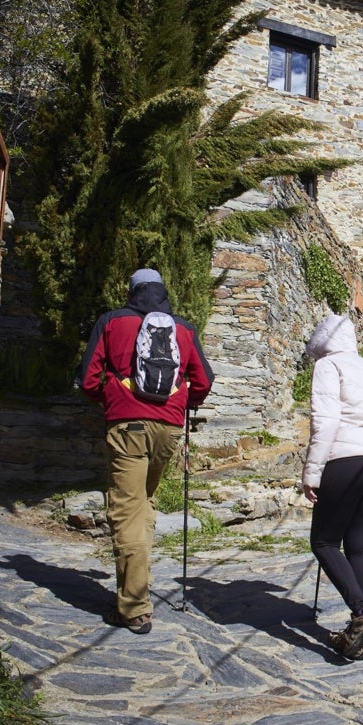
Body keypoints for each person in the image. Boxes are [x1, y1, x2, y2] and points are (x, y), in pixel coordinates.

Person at [77, 268, 214, 634]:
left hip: (127, 426)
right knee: (145, 503)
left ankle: (134, 607)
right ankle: (139, 582)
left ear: (132, 291)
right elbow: (204, 380)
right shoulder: (182, 328)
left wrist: (110, 401)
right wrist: (184, 405)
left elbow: (88, 377)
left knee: (126, 510)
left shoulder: (111, 321)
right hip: (168, 428)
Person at [302, 314, 363, 660]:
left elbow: (325, 421)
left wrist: (312, 472)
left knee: (324, 541)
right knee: (358, 547)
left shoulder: (328, 366)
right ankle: (359, 641)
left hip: (347, 458)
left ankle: (362, 614)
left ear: (321, 343)